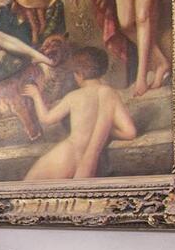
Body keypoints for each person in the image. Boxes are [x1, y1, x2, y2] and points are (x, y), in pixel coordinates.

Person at [20, 46, 137, 180]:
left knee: (29, 185)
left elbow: (46, 119)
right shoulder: (110, 93)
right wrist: (105, 130)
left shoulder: (74, 96)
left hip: (67, 154)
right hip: (90, 159)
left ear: (79, 74)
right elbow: (130, 133)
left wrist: (36, 96)